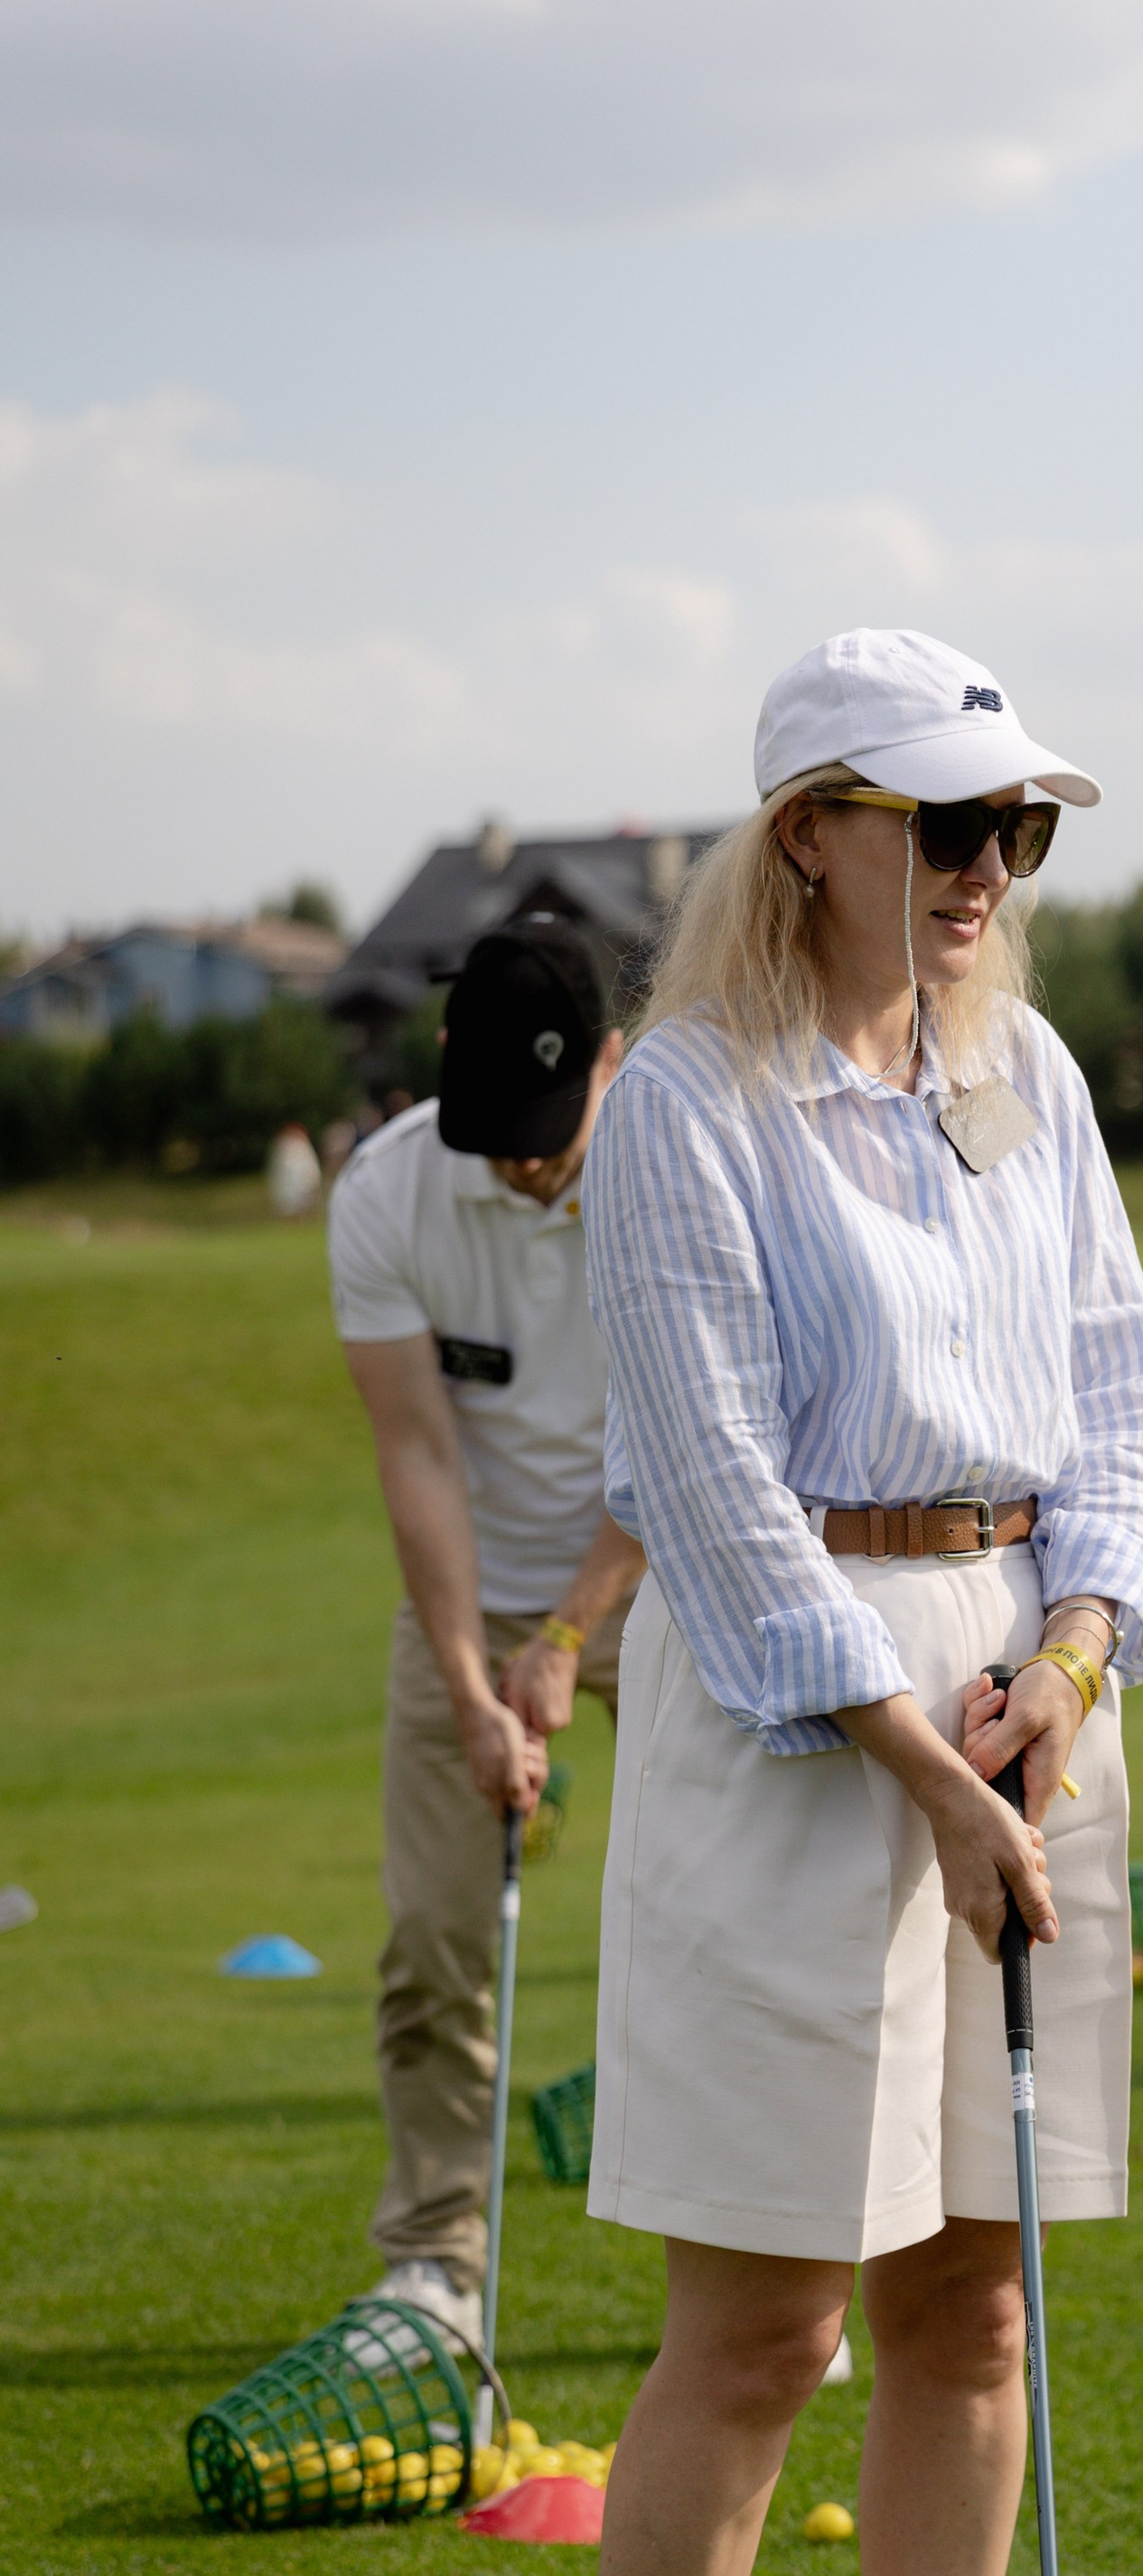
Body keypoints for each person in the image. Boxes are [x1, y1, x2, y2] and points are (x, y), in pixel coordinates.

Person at [561, 628, 1143, 2576]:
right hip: (803, 1727)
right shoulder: (686, 1101)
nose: (987, 866)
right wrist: (925, 1766)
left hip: (1028, 1694)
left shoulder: (1025, 1072)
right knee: (764, 2324)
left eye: (1014, 827)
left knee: (975, 2304)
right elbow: (713, 1496)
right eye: (945, 821)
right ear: (809, 830)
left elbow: (1112, 1389)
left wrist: (1080, 1656)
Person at [330, 916, 649, 2350]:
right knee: (435, 1939)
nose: (521, 1162)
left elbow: (693, 1442)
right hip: (471, 1595)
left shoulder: (679, 1167)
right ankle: (435, 2268)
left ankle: (765, 2262)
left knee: (720, 1919)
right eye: (496, 1126)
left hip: (673, 1577)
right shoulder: (387, 1191)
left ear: (612, 1063)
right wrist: (472, 1680)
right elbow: (418, 1456)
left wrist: (568, 1637)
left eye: (547, 1126)